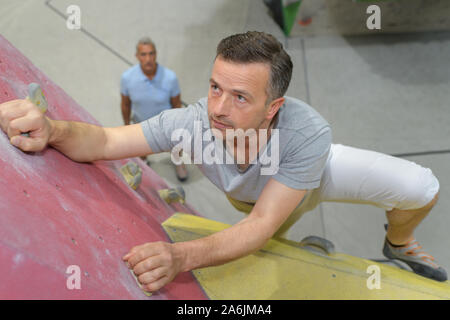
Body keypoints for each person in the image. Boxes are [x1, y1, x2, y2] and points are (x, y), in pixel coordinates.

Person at [0, 31, 445, 294]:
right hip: (250, 201)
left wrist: (180, 257)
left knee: (421, 186)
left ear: (274, 107)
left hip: (310, 181)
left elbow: (259, 227)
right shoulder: (191, 124)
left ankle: (398, 243)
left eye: (240, 97)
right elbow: (102, 140)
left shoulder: (308, 134)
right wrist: (53, 129)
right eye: (215, 87)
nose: (217, 108)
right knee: (269, 231)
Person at [121, 37, 188, 181]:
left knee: (176, 146)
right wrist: (126, 126)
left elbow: (176, 104)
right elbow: (125, 104)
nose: (148, 59)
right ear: (137, 56)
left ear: (156, 54)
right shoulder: (127, 78)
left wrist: (178, 127)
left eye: (151, 54)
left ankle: (178, 162)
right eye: (143, 55)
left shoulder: (170, 78)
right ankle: (143, 162)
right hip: (141, 125)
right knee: (140, 152)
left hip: (166, 124)